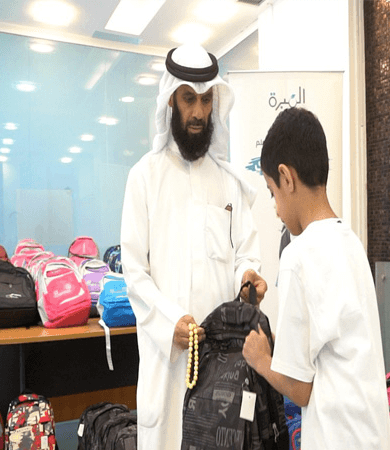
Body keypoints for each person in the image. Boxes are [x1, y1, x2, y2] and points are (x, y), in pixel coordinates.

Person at [120, 43, 267, 450]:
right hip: (167, 366)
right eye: (189, 100)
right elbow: (134, 272)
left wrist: (248, 277)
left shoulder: (231, 182)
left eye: (206, 100)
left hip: (223, 367)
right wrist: (170, 323)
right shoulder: (144, 178)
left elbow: (246, 254)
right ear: (172, 100)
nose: (199, 112)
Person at [242, 107, 390, 449]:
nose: (277, 209)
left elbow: (300, 388)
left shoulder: (298, 255)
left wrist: (261, 360)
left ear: (286, 177)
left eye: (271, 192)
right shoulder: (349, 242)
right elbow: (333, 342)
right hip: (371, 435)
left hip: (335, 438)